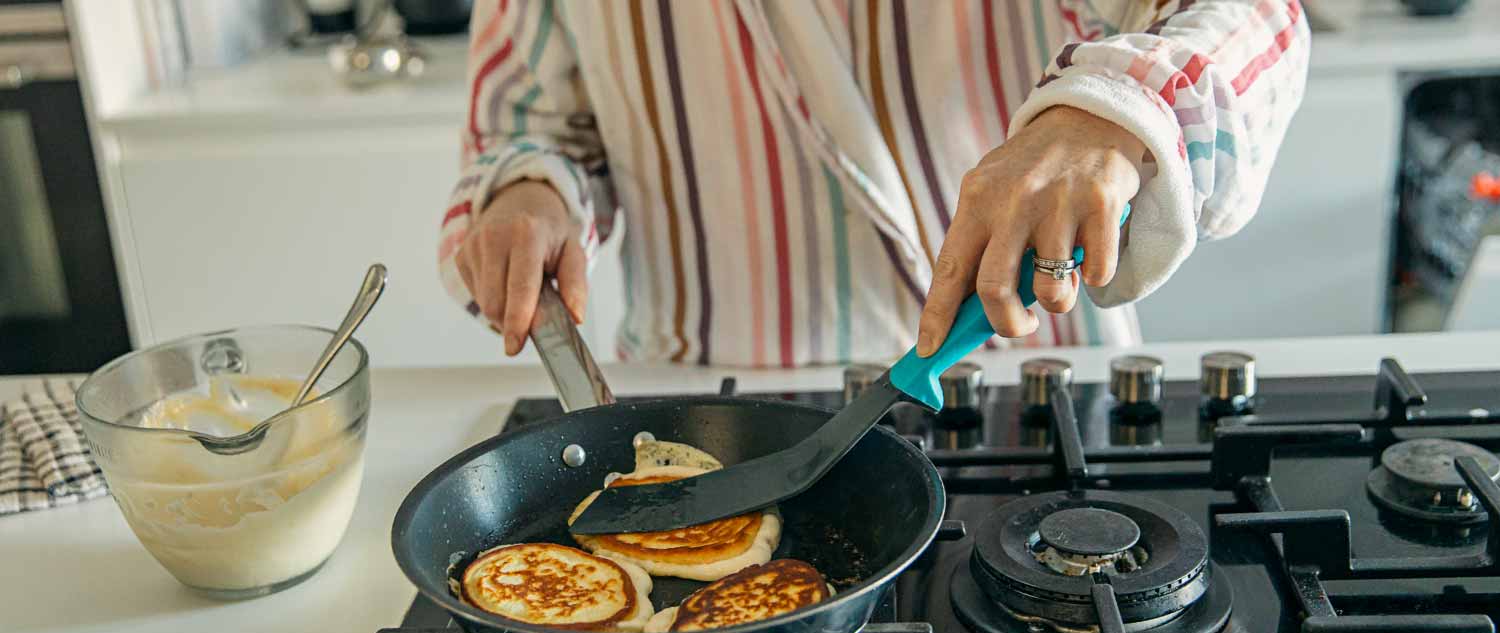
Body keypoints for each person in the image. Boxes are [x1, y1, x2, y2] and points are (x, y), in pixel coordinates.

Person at [439, 0, 1308, 366]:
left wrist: (1111, 109)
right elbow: (529, 124)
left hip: (1030, 378)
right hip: (707, 407)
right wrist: (530, 196)